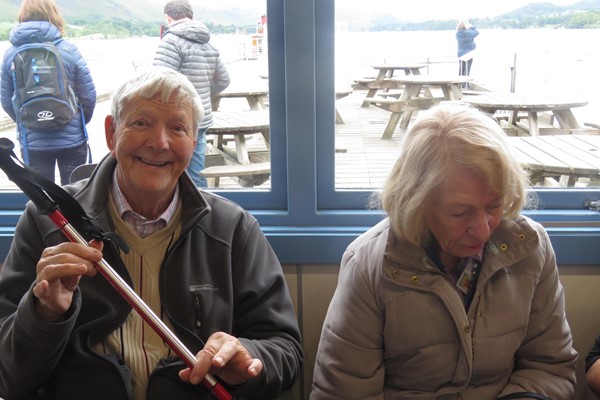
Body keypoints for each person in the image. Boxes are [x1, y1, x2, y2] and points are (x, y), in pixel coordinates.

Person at [0, 67, 302, 400]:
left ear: (193, 141)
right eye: (141, 123)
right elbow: (8, 376)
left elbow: (286, 351)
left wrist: (246, 357)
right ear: (112, 133)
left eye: (178, 128)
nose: (159, 143)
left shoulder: (233, 229)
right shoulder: (48, 224)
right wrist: (43, 313)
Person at [310, 104, 577, 400]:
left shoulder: (529, 246)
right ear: (417, 201)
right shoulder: (368, 265)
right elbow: (345, 392)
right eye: (460, 212)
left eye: (493, 206)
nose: (484, 229)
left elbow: (549, 366)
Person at [0, 0, 96, 185]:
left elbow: (6, 100)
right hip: (72, 140)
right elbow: (88, 96)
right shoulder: (69, 50)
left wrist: (29, 119)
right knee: (75, 195)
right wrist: (75, 120)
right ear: (53, 15)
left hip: (33, 142)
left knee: (42, 201)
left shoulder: (10, 54)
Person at [154, 0, 230, 188]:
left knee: (171, 167)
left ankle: (193, 209)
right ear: (190, 16)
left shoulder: (170, 42)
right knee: (195, 167)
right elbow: (224, 80)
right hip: (200, 117)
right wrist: (200, 97)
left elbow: (158, 82)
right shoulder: (208, 43)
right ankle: (201, 208)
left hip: (175, 120)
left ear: (168, 18)